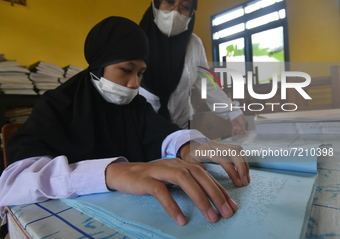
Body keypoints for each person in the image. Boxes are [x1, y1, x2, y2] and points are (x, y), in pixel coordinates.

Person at [0, 16, 249, 227]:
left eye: (141, 73)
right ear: (99, 64)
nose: (134, 84)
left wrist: (189, 145)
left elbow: (164, 133)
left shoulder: (135, 105)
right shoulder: (56, 105)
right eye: (126, 70)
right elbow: (14, 181)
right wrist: (111, 173)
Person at [139, 0, 248, 135]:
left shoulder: (194, 44)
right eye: (169, 1)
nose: (175, 11)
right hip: (142, 128)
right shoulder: (136, 40)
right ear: (156, 4)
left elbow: (207, 83)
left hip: (180, 126)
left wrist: (233, 113)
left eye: (185, 6)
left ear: (191, 14)